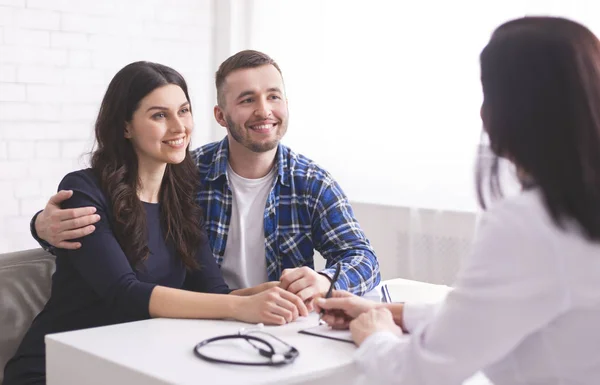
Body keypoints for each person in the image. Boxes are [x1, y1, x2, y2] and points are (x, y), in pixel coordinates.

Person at [315, 16, 600, 385]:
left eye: (489, 94)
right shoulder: (575, 211)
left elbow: (418, 373)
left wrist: (374, 334)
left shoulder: (529, 223)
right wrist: (387, 312)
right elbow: (488, 315)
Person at [4, 61, 309, 385]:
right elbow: (126, 294)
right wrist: (242, 308)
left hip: (135, 367)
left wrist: (278, 291)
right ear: (125, 126)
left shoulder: (182, 199)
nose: (179, 127)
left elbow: (216, 292)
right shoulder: (84, 190)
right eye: (159, 115)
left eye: (184, 111)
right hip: (59, 369)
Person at [30, 50, 381, 302]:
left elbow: (362, 257)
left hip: (263, 321)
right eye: (247, 99)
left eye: (274, 96)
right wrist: (41, 227)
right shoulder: (187, 174)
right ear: (221, 115)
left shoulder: (312, 183)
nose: (264, 110)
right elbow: (109, 241)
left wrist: (324, 280)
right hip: (195, 323)